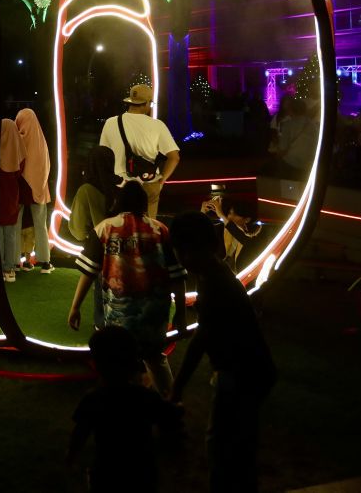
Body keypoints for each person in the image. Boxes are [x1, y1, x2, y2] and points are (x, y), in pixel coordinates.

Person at [169, 211, 277, 493]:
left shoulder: (214, 282)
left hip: (243, 372)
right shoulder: (213, 274)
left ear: (187, 251)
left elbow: (201, 339)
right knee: (235, 444)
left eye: (179, 251)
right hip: (247, 369)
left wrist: (177, 387)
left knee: (222, 445)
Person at [67, 181, 183, 395]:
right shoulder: (160, 230)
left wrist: (75, 307)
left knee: (117, 365)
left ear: (118, 201)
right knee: (156, 359)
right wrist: (181, 312)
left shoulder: (104, 228)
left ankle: (121, 404)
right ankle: (171, 402)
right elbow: (176, 276)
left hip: (118, 317)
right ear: (144, 203)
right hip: (154, 316)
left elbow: (88, 272)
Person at [67, 326, 182, 493]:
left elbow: (80, 432)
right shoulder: (145, 397)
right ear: (134, 362)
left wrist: (71, 456)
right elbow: (170, 419)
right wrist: (176, 406)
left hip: (106, 473)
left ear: (96, 364)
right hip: (141, 472)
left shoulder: (93, 399)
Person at [99, 84, 180, 220]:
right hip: (148, 183)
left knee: (121, 227)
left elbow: (103, 155)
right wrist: (161, 181)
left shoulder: (110, 123)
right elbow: (174, 157)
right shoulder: (157, 125)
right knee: (148, 227)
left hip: (120, 185)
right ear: (147, 103)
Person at [15, 108, 54, 272]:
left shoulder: (17, 139)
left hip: (19, 187)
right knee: (40, 225)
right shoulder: (41, 141)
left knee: (16, 225)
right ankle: (45, 262)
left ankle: (15, 261)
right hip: (37, 188)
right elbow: (46, 166)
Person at [201, 192, 262, 274]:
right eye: (229, 213)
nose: (229, 217)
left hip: (244, 276)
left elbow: (245, 240)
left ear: (247, 220)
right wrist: (202, 213)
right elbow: (201, 232)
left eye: (234, 214)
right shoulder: (222, 229)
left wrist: (221, 215)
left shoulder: (255, 235)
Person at [68, 146, 119, 242]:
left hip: (97, 245)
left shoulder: (85, 191)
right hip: (117, 245)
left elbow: (78, 232)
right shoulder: (120, 190)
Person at [0, 118, 24, 282]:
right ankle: (10, 269)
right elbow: (21, 168)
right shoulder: (18, 147)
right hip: (12, 193)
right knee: (10, 232)